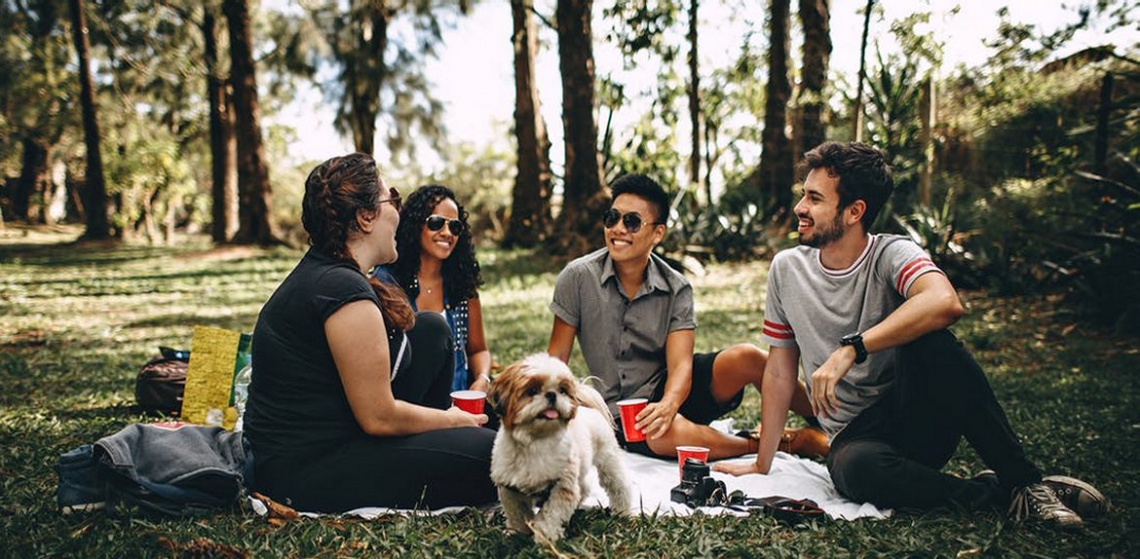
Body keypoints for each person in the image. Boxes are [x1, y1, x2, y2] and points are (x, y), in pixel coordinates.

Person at [713, 141, 1107, 528]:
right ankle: (1001, 495)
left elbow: (944, 301)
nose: (800, 208)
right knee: (855, 471)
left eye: (814, 199)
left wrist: (853, 348)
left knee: (934, 342)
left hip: (916, 416)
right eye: (804, 195)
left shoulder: (892, 253)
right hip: (855, 438)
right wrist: (762, 464)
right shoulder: (787, 269)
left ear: (854, 211)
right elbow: (780, 371)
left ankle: (1024, 481)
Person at [244, 154, 497, 513]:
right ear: (365, 217)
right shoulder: (342, 291)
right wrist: (453, 419)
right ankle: (453, 440)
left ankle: (448, 440)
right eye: (391, 198)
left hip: (339, 436)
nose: (398, 210)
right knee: (496, 454)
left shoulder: (333, 273)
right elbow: (378, 417)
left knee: (430, 329)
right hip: (306, 470)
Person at [546, 173, 828, 461]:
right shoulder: (577, 277)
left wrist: (669, 404)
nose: (618, 229)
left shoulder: (676, 286)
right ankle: (779, 444)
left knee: (748, 357)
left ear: (657, 233)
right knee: (660, 433)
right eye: (612, 218)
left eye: (631, 221)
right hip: (621, 412)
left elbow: (681, 366)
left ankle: (832, 418)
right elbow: (555, 360)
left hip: (673, 389)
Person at [373, 185, 492, 394]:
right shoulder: (386, 283)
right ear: (415, 225)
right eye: (436, 223)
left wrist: (482, 379)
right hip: (407, 406)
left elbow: (478, 349)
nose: (447, 233)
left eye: (455, 227)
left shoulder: (462, 285)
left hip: (459, 405)